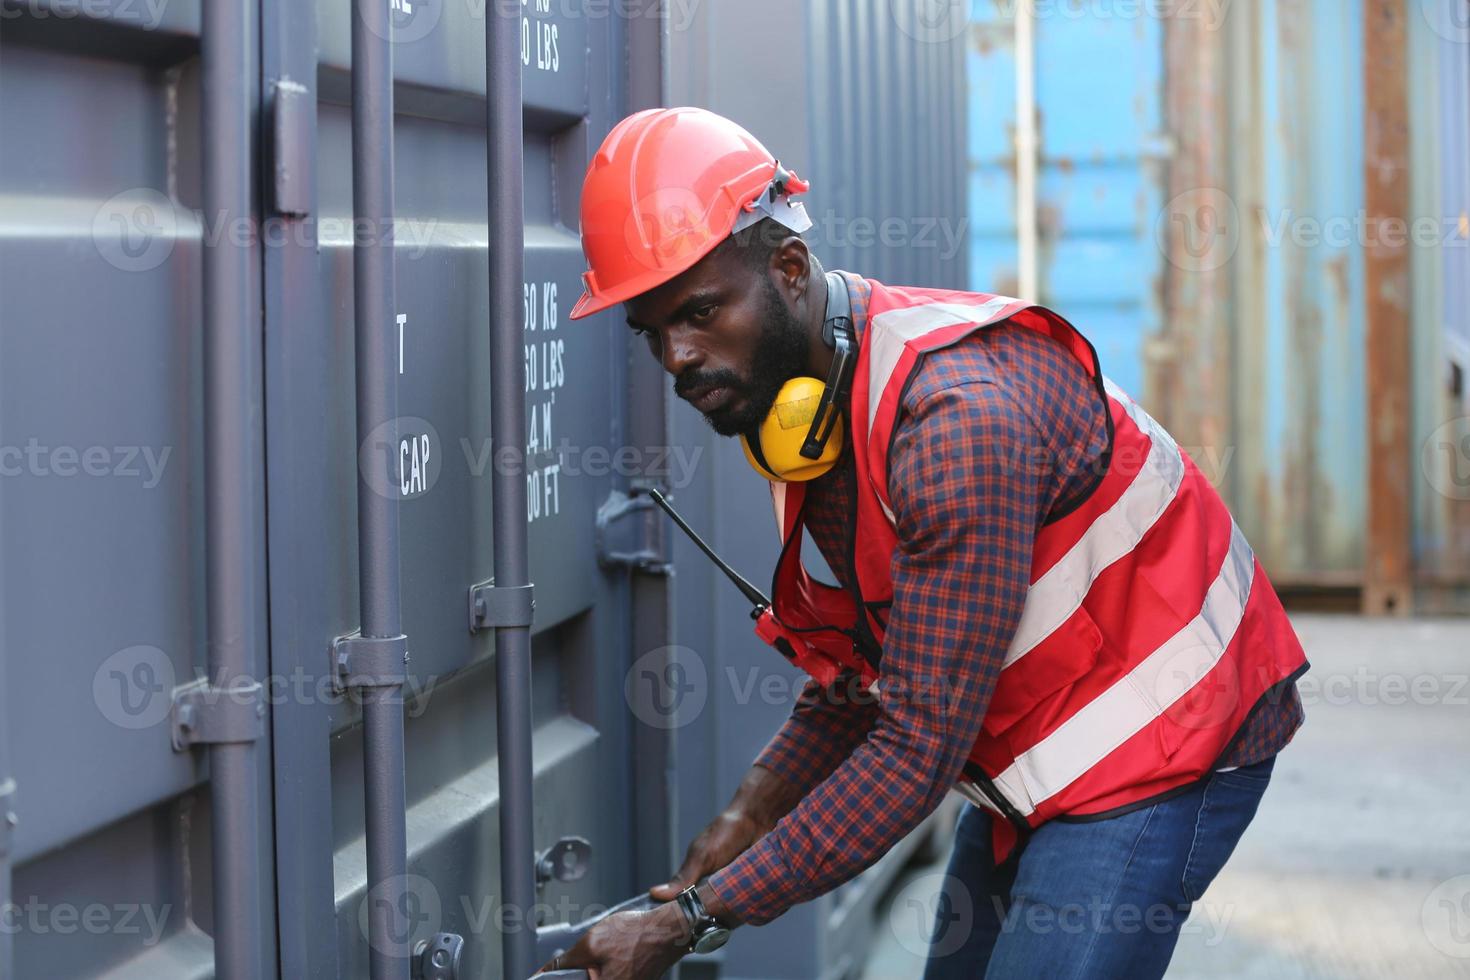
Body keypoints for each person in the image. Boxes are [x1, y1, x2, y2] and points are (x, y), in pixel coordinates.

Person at [541, 107, 1307, 980]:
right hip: (1034, 734)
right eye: (652, 333)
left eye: (701, 312)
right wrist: (755, 807)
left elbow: (914, 749)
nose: (678, 357)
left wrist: (690, 919)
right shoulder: (809, 411)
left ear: (790, 268)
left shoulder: (951, 423)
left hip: (1166, 728)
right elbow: (879, 664)